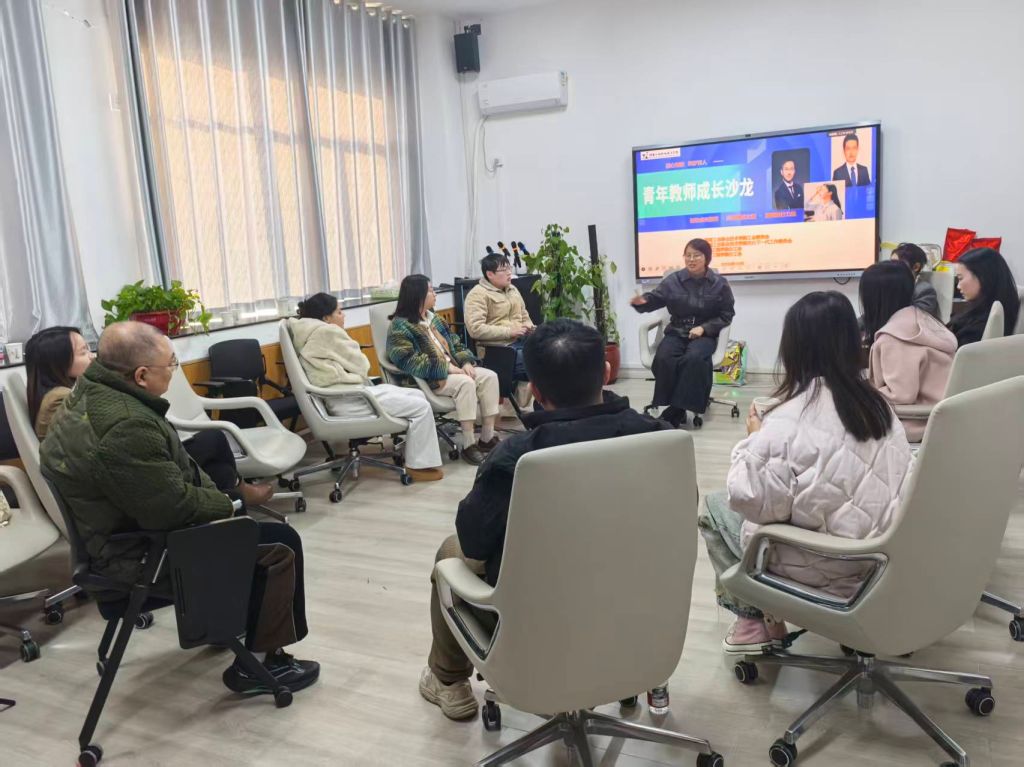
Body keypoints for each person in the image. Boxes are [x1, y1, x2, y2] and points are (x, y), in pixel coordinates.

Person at [40, 321, 319, 695]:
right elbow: (172, 509)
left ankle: (226, 622)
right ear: (141, 375)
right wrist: (228, 502)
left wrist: (219, 502)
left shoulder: (87, 396)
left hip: (114, 537)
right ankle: (262, 663)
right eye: (171, 364)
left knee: (236, 514)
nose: (174, 371)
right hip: (138, 557)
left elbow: (164, 486)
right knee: (280, 544)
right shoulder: (125, 425)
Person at [419, 319, 672, 720]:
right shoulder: (661, 439)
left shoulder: (517, 459)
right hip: (640, 613)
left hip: (544, 625)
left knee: (450, 553)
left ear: (535, 390)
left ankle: (448, 681)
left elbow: (474, 542)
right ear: (606, 372)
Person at [699, 292, 912, 654]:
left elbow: (752, 502)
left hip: (830, 566)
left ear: (794, 348)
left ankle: (753, 623)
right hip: (886, 559)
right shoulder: (878, 406)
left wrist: (754, 440)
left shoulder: (788, 420)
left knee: (714, 507)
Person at [25, 326, 274, 507]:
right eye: (82, 352)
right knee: (212, 441)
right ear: (57, 363)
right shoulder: (60, 401)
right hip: (116, 476)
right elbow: (101, 438)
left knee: (212, 463)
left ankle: (233, 499)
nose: (92, 356)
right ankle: (236, 496)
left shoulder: (68, 392)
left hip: (119, 468)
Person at [287, 292, 443, 481]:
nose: (344, 315)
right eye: (339, 312)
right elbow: (362, 365)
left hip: (343, 396)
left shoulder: (307, 332)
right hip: (351, 400)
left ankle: (417, 457)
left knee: (417, 395)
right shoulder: (327, 332)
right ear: (326, 318)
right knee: (421, 406)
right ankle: (419, 467)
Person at [386, 275, 499, 466]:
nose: (435, 294)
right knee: (466, 383)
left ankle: (487, 438)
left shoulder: (434, 318)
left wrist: (465, 362)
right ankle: (469, 444)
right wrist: (446, 368)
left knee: (489, 377)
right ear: (418, 295)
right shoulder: (400, 326)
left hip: (454, 369)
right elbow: (406, 360)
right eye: (431, 290)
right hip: (429, 379)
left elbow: (456, 343)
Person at [630, 238, 735, 427]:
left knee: (694, 358)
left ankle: (676, 410)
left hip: (704, 335)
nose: (691, 259)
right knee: (664, 357)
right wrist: (642, 302)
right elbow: (656, 297)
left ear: (707, 258)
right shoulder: (674, 280)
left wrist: (705, 328)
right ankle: (676, 406)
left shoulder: (719, 284)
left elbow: (727, 315)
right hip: (677, 331)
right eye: (688, 255)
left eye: (696, 255)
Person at [860, 261, 956, 441]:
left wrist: (862, 392)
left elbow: (900, 395)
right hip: (944, 417)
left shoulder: (894, 338)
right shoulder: (923, 321)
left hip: (919, 423)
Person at [463, 252, 534, 394]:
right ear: (490, 274)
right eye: (504, 270)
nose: (509, 273)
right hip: (497, 350)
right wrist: (509, 332)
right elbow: (475, 329)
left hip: (520, 342)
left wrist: (529, 326)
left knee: (551, 351)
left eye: (509, 268)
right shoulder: (478, 295)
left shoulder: (512, 289)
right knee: (538, 361)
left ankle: (538, 402)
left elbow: (524, 314)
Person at [948, 247, 1021, 346]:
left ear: (983, 277)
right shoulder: (1008, 310)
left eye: (960, 278)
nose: (958, 286)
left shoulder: (976, 330)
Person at [890, 242, 941, 319]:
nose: (892, 268)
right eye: (891, 264)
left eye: (898, 264)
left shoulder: (924, 290)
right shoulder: (889, 285)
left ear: (916, 267)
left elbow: (918, 318)